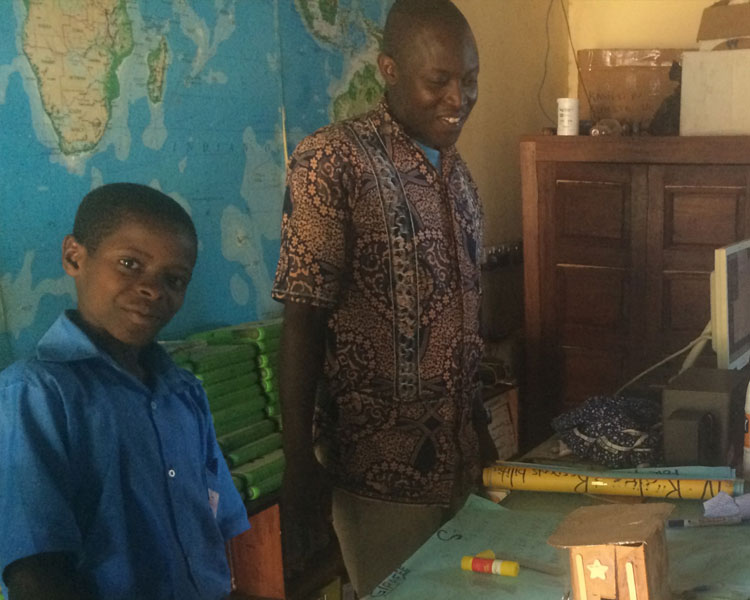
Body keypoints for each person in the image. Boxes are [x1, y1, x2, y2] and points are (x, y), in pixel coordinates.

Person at [272, 0, 497, 595]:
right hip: (375, 475)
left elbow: (465, 320)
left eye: (469, 80)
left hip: (460, 462)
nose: (459, 99)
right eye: (438, 81)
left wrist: (479, 420)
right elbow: (301, 319)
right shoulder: (331, 163)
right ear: (389, 70)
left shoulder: (460, 178)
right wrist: (298, 464)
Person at [0, 183, 250, 600]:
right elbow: (36, 576)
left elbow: (213, 528)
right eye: (130, 263)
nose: (153, 289)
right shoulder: (34, 396)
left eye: (174, 279)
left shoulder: (184, 392)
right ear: (73, 256)